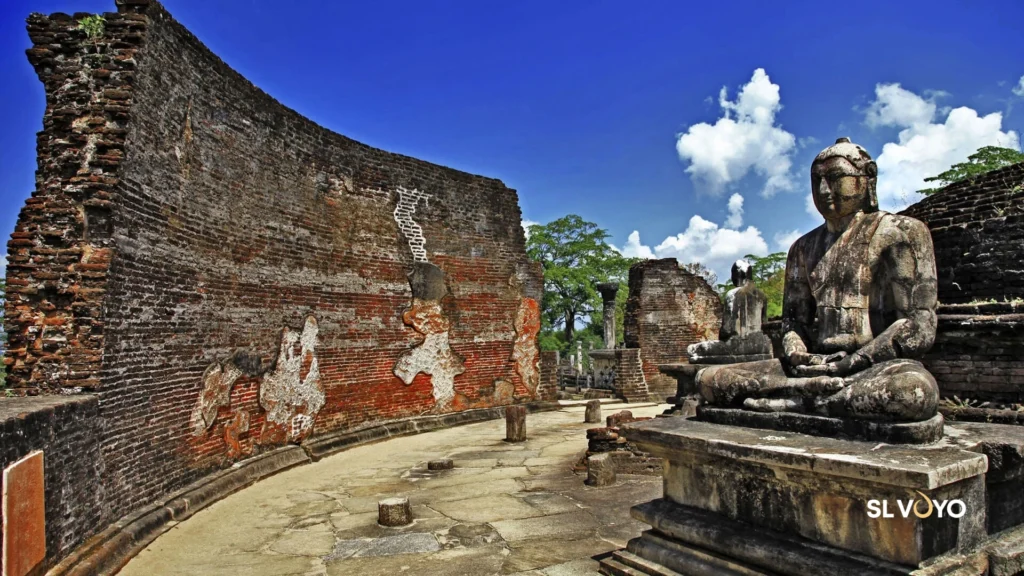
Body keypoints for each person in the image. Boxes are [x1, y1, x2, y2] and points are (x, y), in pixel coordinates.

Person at [696, 138, 939, 422]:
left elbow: (917, 328)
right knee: (709, 380)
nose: (824, 190)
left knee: (910, 393)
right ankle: (812, 396)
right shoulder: (803, 247)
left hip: (873, 367)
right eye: (817, 180)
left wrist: (851, 362)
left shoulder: (901, 233)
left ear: (867, 177)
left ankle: (797, 399)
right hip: (812, 367)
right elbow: (794, 322)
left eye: (836, 177)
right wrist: (797, 350)